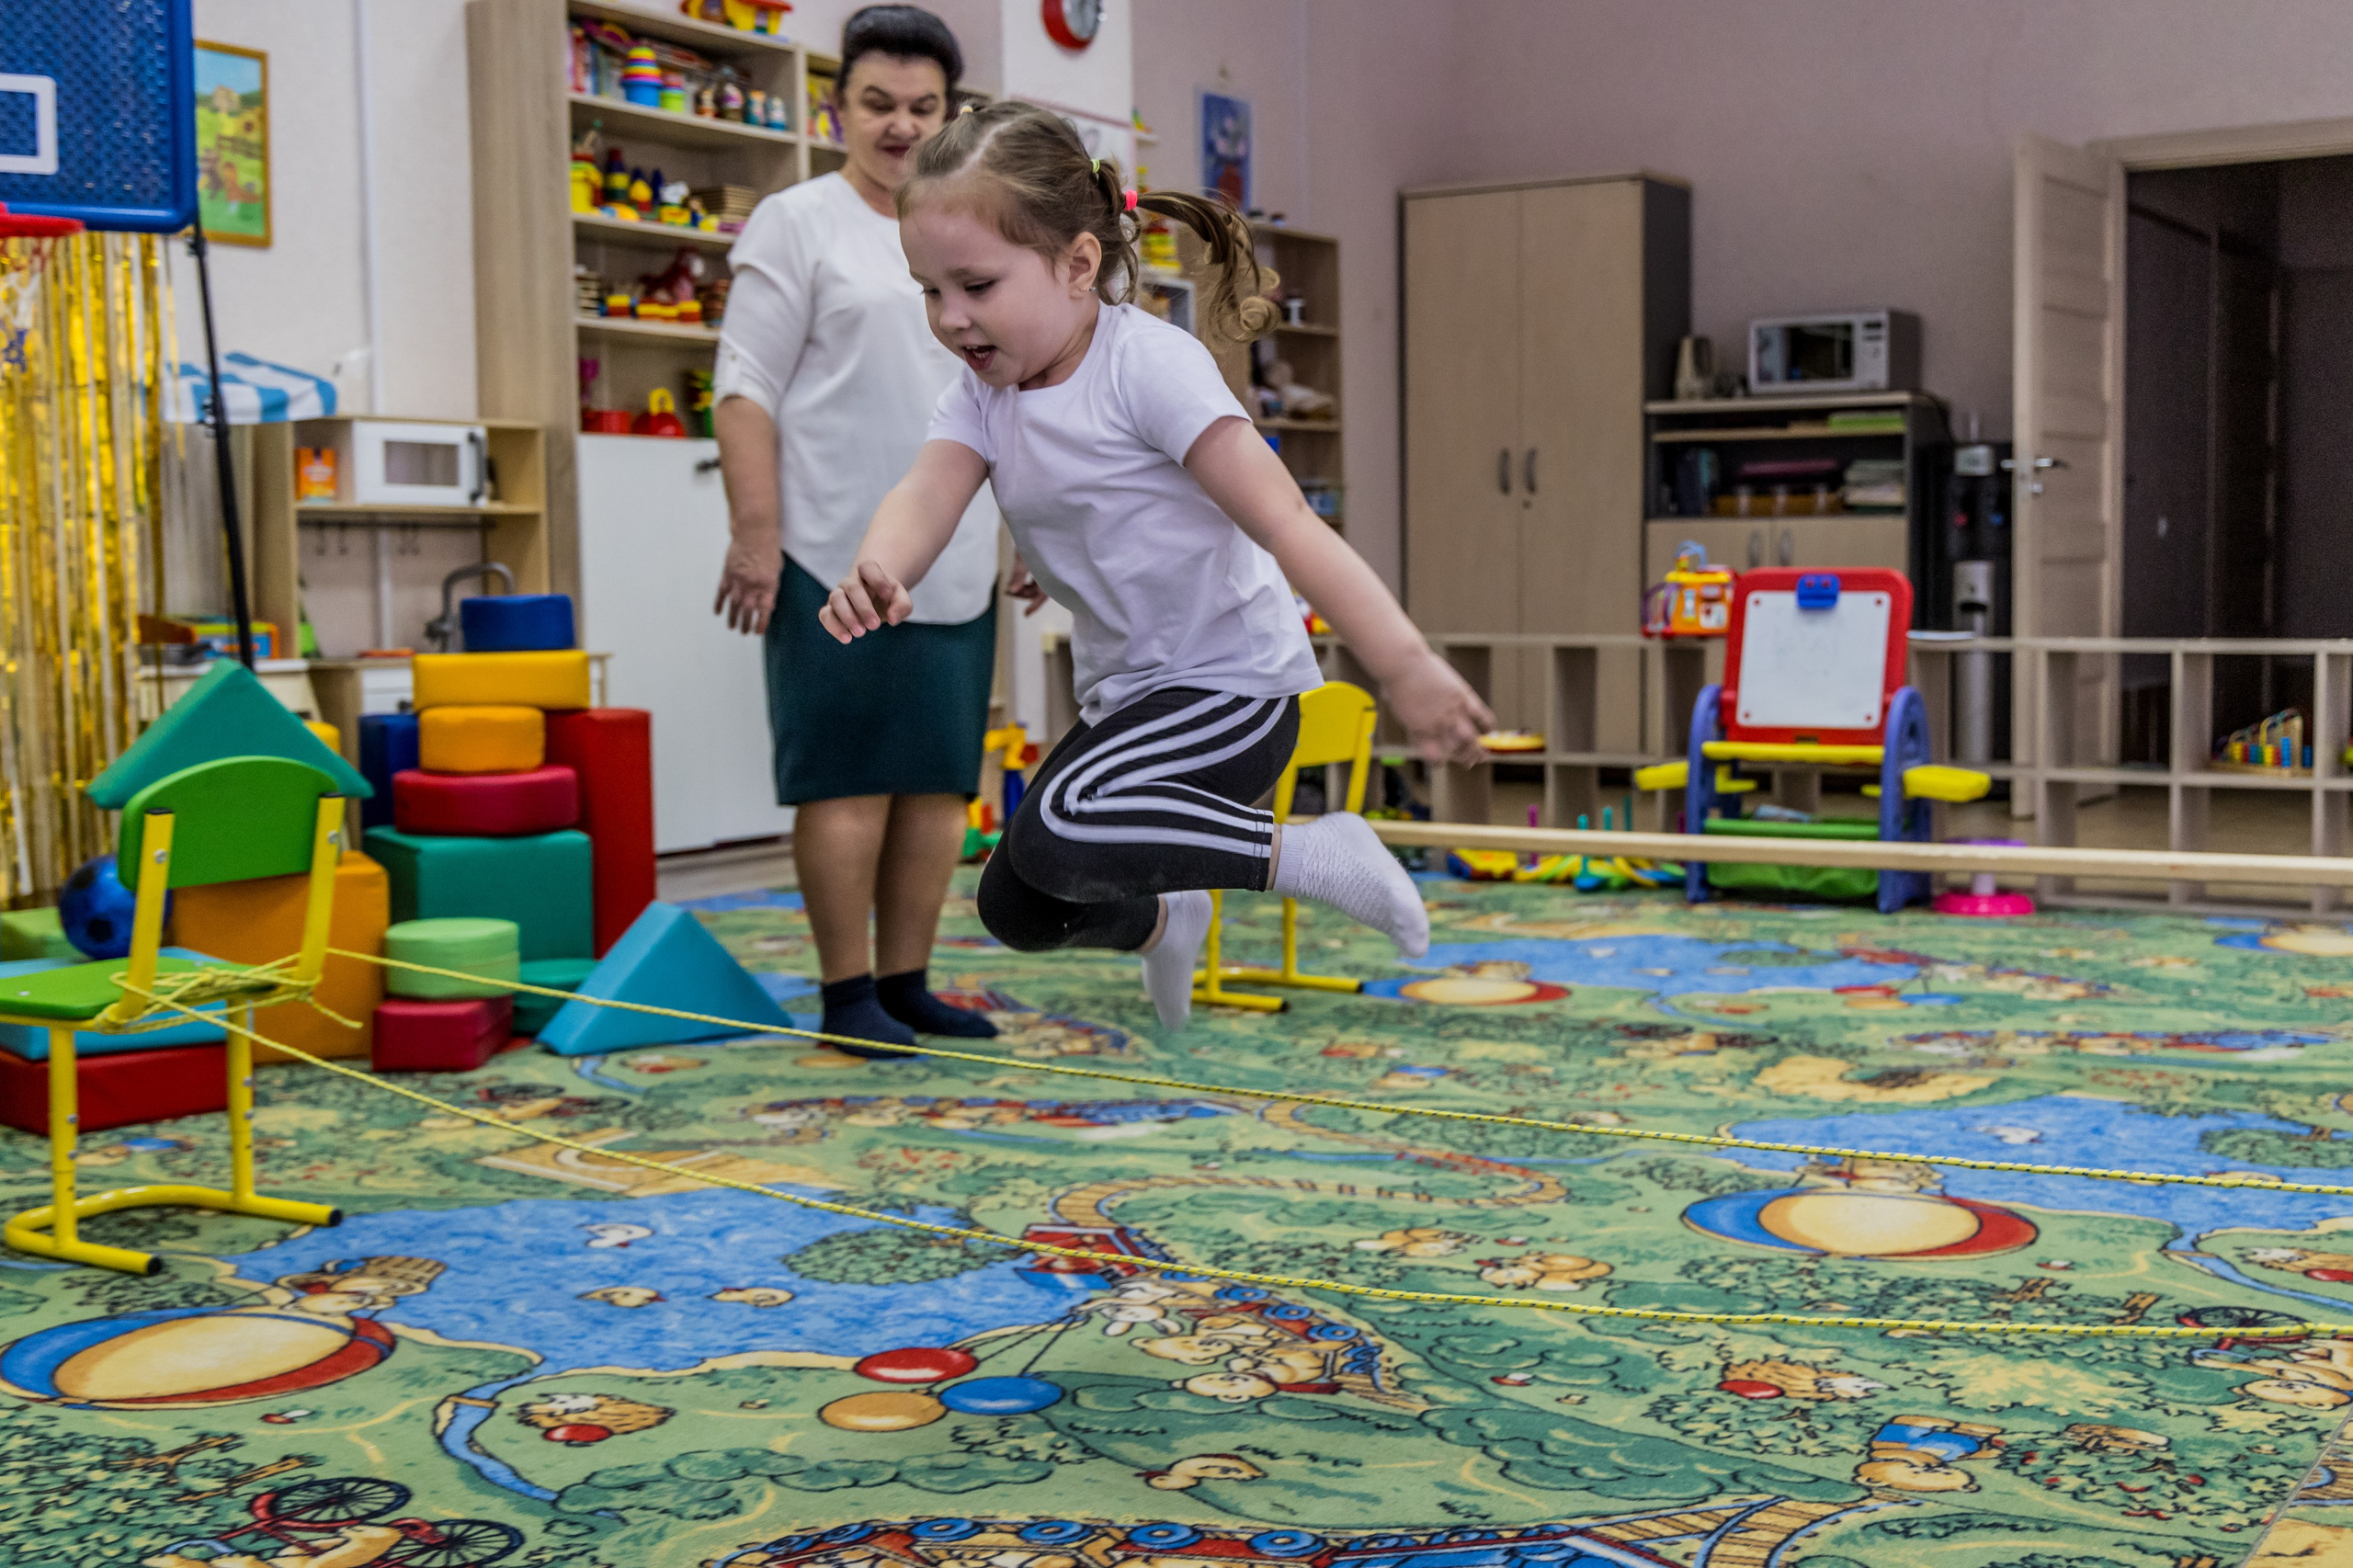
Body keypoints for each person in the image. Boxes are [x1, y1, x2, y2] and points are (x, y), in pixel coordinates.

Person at [818, 101, 1494, 1030]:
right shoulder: (982, 393)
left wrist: (1405, 665)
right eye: (929, 291)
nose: (951, 318)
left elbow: (1288, 522)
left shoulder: (1148, 366)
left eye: (975, 284)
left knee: (1062, 826)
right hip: (1130, 700)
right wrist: (879, 564)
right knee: (1019, 902)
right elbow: (927, 493)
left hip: (1231, 689)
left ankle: (1314, 852)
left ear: (1077, 265)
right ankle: (1166, 917)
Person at [710, 6, 1000, 1056]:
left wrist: (1030, 535)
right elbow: (743, 389)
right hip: (826, 547)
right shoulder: (797, 223)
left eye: (924, 107)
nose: (900, 126)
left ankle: (905, 982)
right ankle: (846, 994)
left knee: (936, 782)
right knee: (845, 777)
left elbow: (1009, 392)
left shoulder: (978, 229)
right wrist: (755, 533)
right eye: (878, 103)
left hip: (955, 554)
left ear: (952, 115)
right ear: (835, 108)